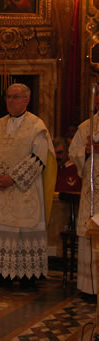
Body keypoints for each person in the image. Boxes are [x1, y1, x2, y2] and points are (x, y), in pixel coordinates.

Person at [0, 83, 56, 289]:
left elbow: (39, 158)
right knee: (0, 229)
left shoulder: (37, 126)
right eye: (8, 97)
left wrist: (12, 178)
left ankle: (26, 275)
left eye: (15, 97)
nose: (11, 101)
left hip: (24, 190)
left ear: (26, 100)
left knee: (23, 230)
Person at [69, 90, 99, 296]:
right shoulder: (87, 125)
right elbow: (73, 153)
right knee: (91, 232)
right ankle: (90, 289)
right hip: (92, 188)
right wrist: (86, 152)